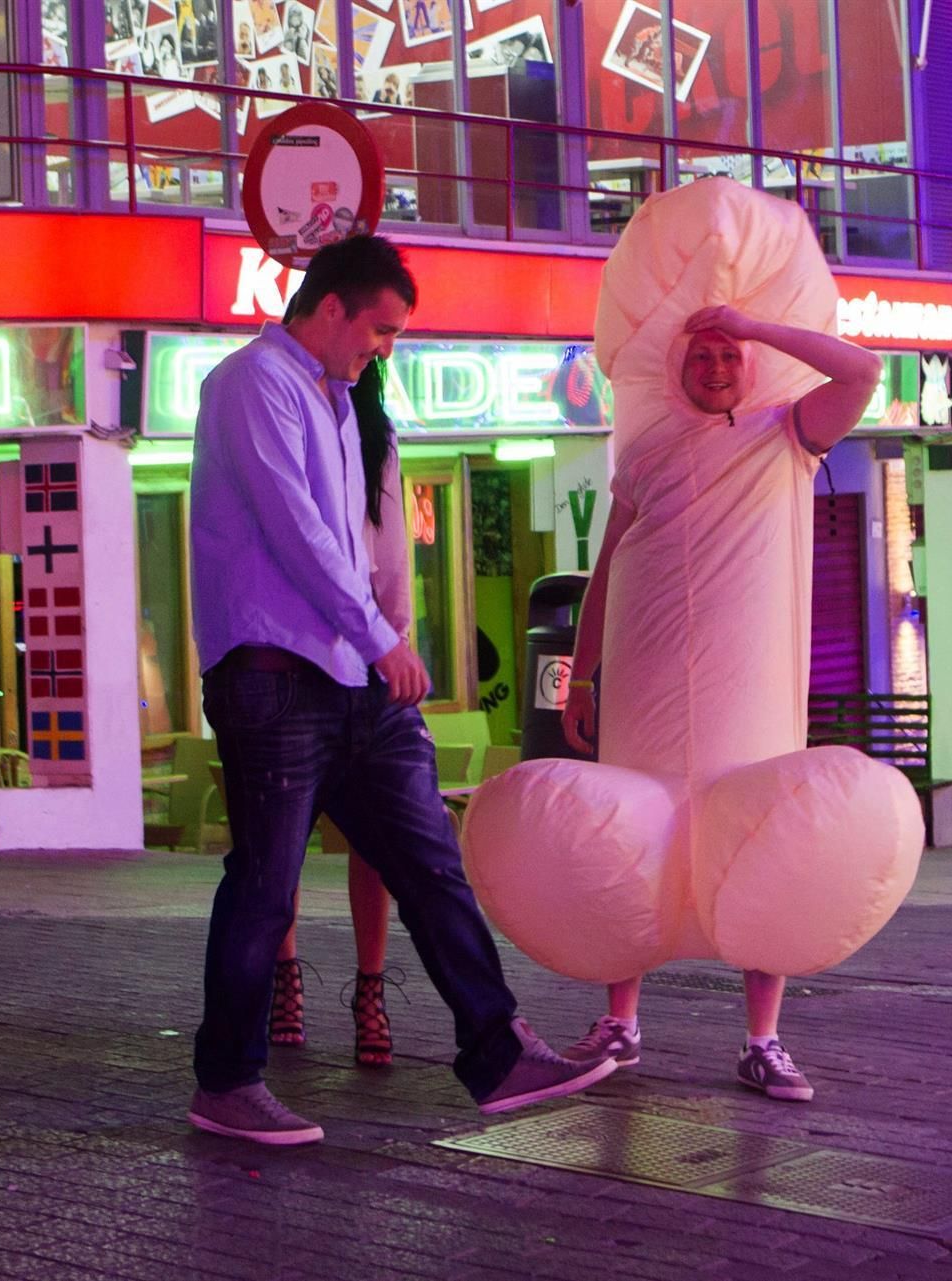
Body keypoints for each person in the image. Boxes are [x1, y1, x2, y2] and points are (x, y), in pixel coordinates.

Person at [187, 235, 616, 1145]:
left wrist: (385, 641)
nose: (386, 348)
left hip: (355, 682)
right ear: (331, 307)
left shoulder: (338, 400)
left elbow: (363, 542)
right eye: (380, 329)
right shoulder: (251, 384)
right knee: (265, 885)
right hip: (274, 677)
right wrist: (383, 639)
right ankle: (226, 1082)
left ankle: (498, 1052)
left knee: (429, 864)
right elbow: (297, 529)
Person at [559, 304, 882, 1102]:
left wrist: (753, 324)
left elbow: (862, 371)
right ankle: (620, 1023)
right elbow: (608, 568)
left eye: (728, 354)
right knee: (630, 840)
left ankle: (763, 1041)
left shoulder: (787, 434)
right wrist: (583, 675)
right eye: (701, 354)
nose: (715, 366)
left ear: (751, 363)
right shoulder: (645, 454)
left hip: (750, 682)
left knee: (760, 843)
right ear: (676, 368)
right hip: (647, 681)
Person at [268, 358, 403, 1067]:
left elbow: (391, 555)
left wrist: (394, 642)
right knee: (286, 836)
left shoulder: (373, 435)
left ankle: (361, 989)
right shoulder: (284, 416)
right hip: (302, 659)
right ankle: (292, 980)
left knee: (366, 840)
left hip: (357, 659)